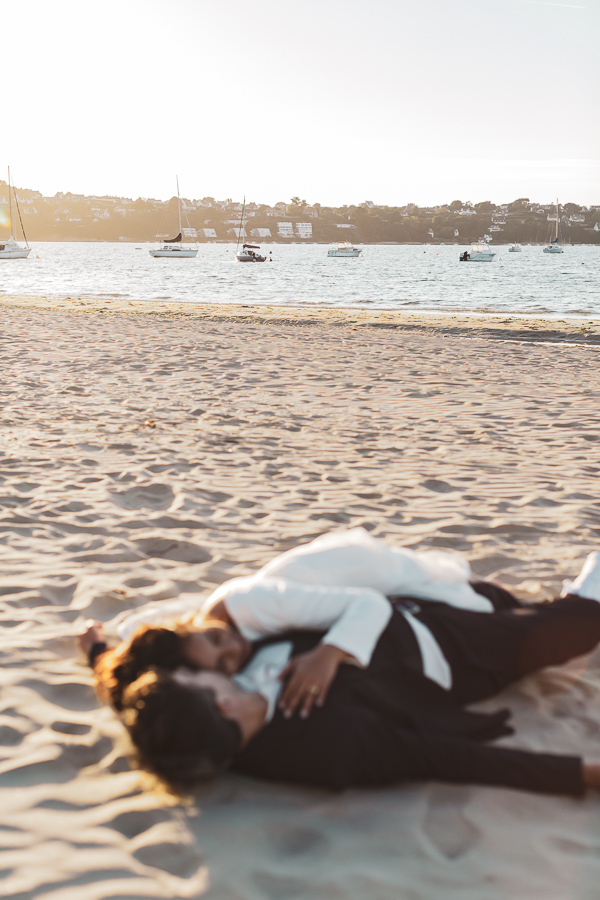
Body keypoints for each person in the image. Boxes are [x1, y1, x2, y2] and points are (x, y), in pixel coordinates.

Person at [96, 550, 600, 798]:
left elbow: (142, 704)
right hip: (457, 652)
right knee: (582, 622)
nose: (189, 672)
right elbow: (455, 761)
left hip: (402, 604)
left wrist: (99, 651)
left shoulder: (202, 714)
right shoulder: (331, 746)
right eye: (193, 680)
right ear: (223, 705)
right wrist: (581, 774)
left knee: (501, 601)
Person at [82, 529, 507, 718]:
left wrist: (327, 655)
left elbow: (371, 604)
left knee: (467, 599)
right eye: (225, 665)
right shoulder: (196, 636)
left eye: (217, 640)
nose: (235, 650)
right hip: (320, 585)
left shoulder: (249, 604)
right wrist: (99, 653)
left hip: (365, 571)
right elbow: (134, 636)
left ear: (189, 625)